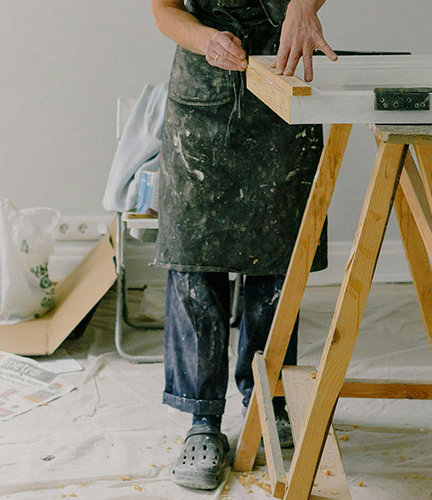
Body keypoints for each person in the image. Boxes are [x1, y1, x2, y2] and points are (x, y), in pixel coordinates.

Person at [150, 0, 336, 490]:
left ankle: (268, 401)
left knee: (278, 264)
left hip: (283, 79)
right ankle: (202, 422)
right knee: (194, 262)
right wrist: (205, 39)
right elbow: (165, 12)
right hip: (202, 97)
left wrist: (302, 5)